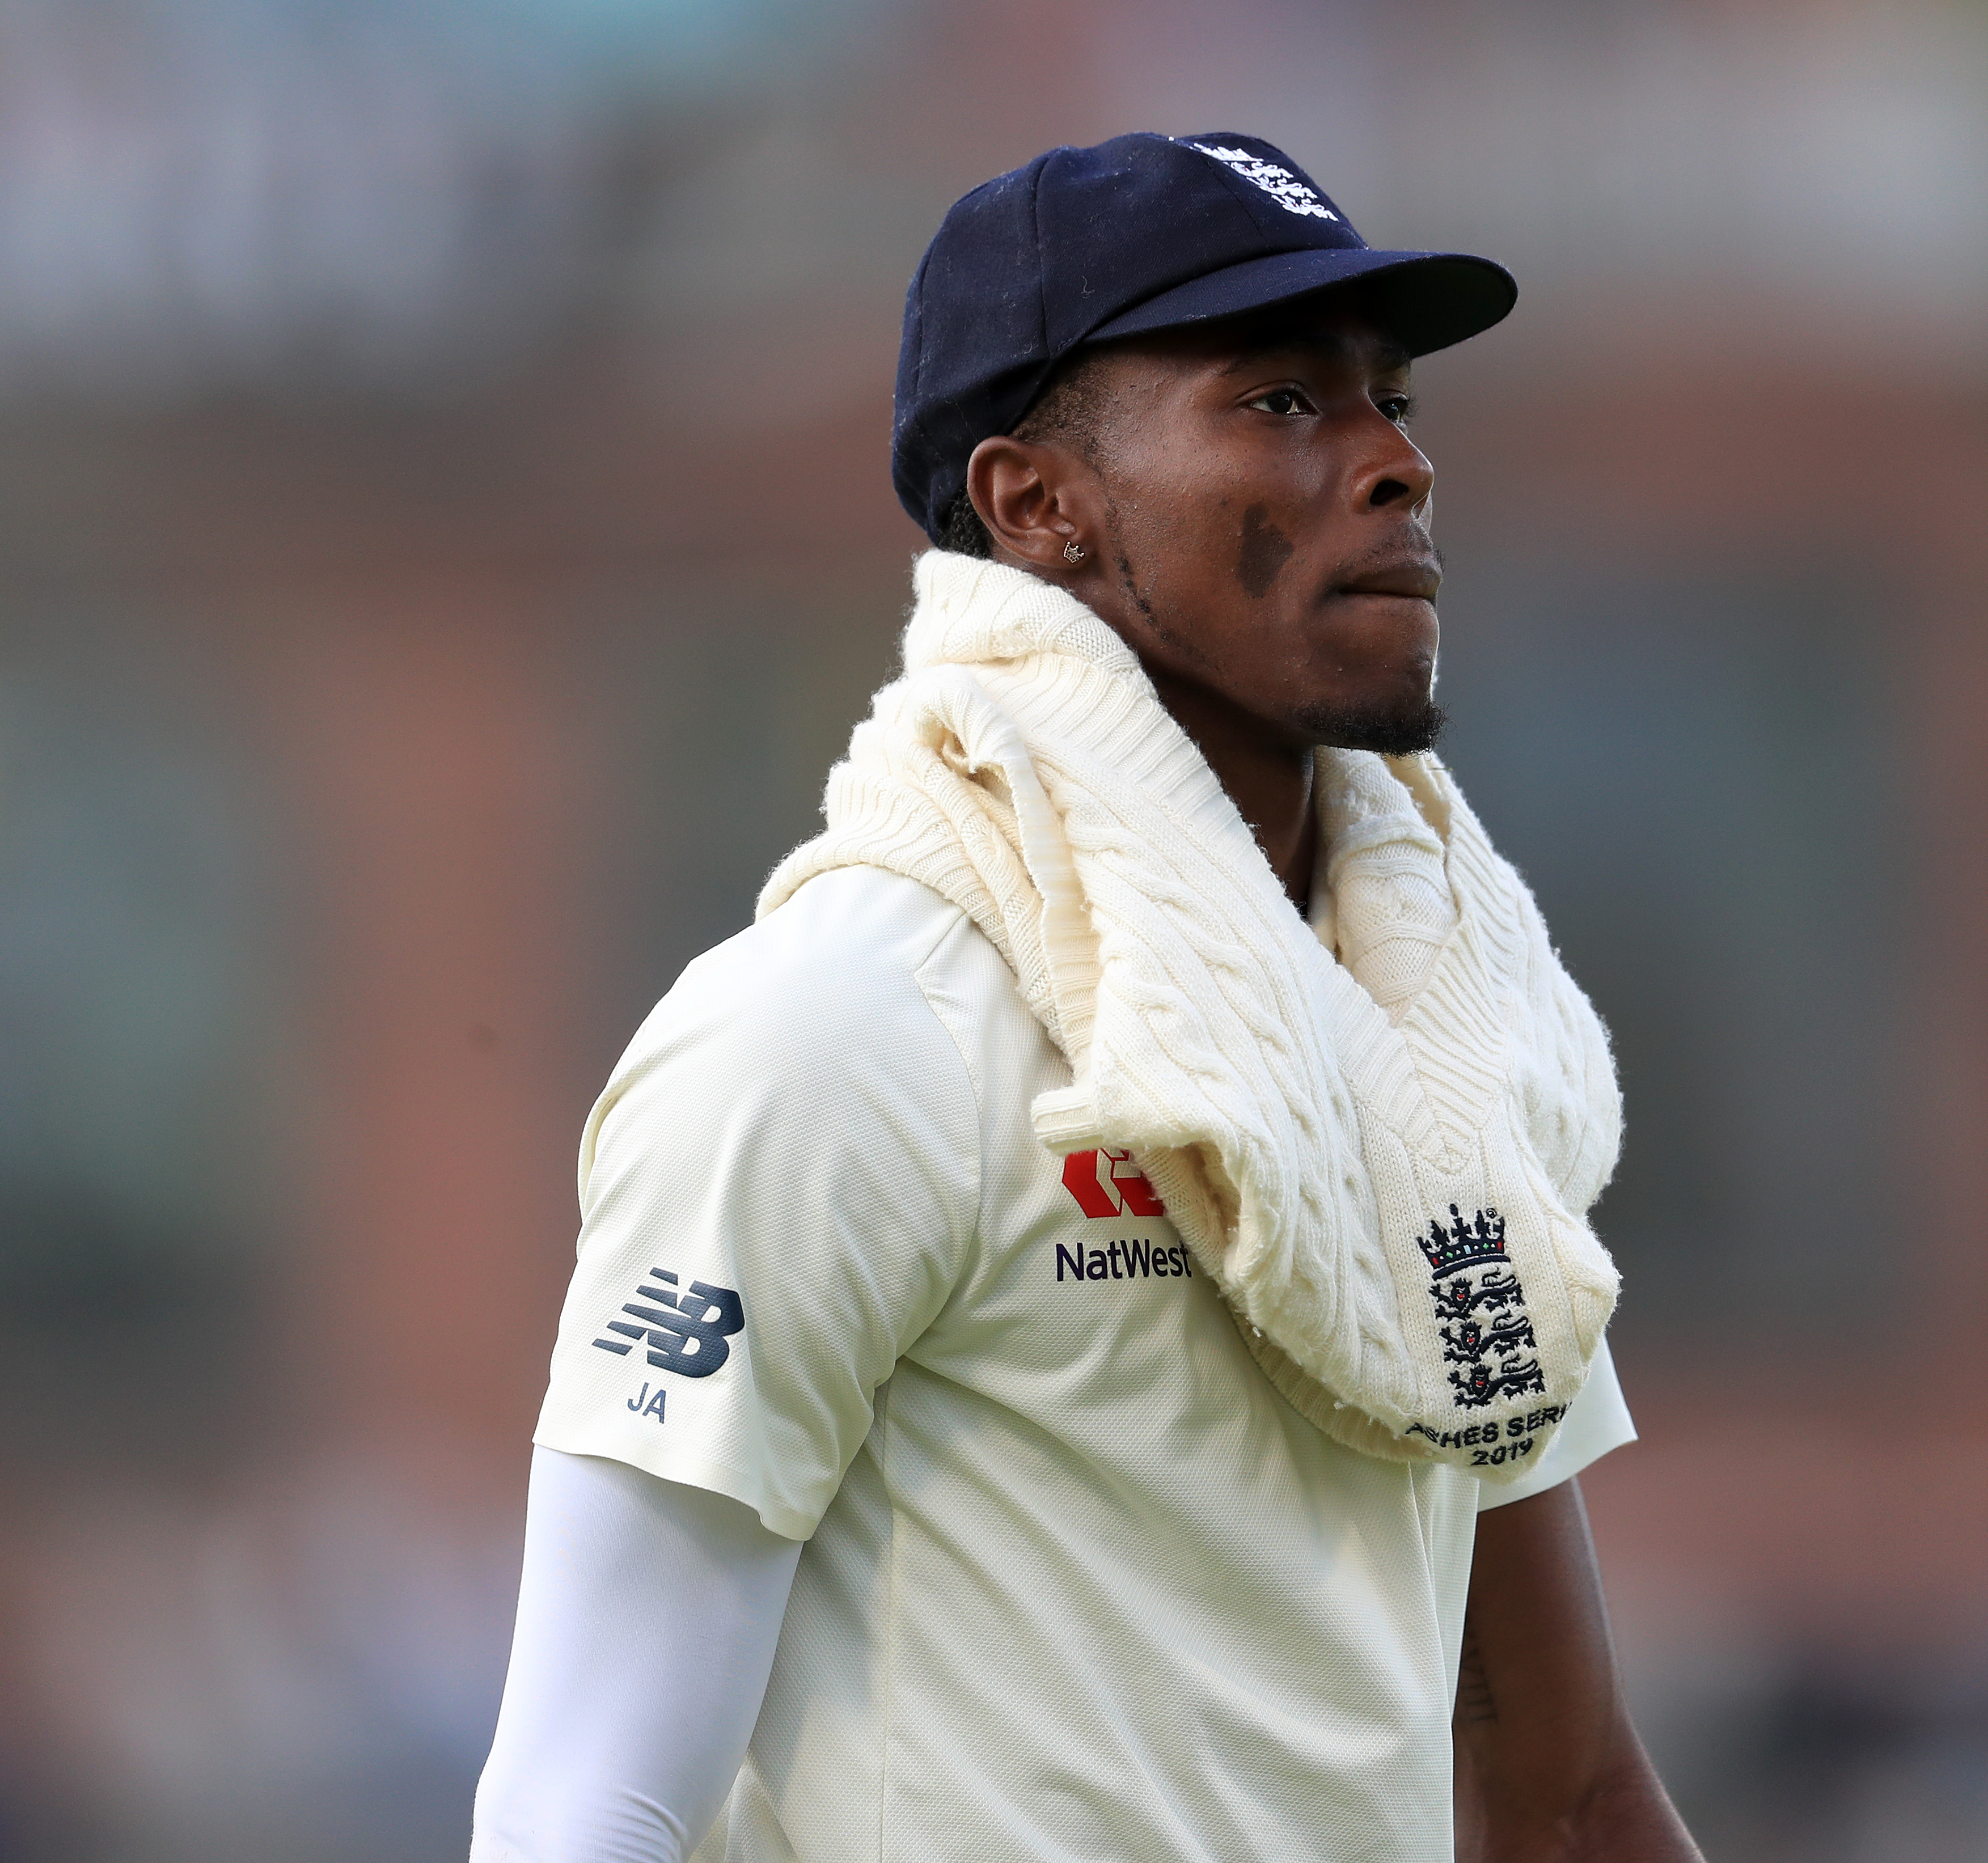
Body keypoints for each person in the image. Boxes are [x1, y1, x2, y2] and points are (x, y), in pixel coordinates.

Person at [469, 131, 1703, 1863]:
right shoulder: (832, 1035)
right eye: (1281, 401)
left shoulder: (1432, 1053)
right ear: (1033, 505)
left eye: (1391, 400)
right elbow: (586, 1796)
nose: (1396, 464)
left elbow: (1564, 1804)